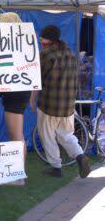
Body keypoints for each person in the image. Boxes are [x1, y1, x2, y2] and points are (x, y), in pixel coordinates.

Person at [30, 25, 90, 178]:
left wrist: (32, 99)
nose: (39, 39)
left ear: (46, 39)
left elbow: (37, 80)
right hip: (68, 104)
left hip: (49, 104)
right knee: (66, 134)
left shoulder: (45, 54)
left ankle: (56, 167)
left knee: (47, 135)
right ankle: (80, 156)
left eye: (41, 37)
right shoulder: (69, 52)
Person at [0, 12, 30, 186]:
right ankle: (18, 174)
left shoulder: (16, 44)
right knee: (15, 133)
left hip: (16, 93)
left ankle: (19, 176)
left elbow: (2, 63)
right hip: (17, 92)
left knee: (16, 134)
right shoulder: (20, 42)